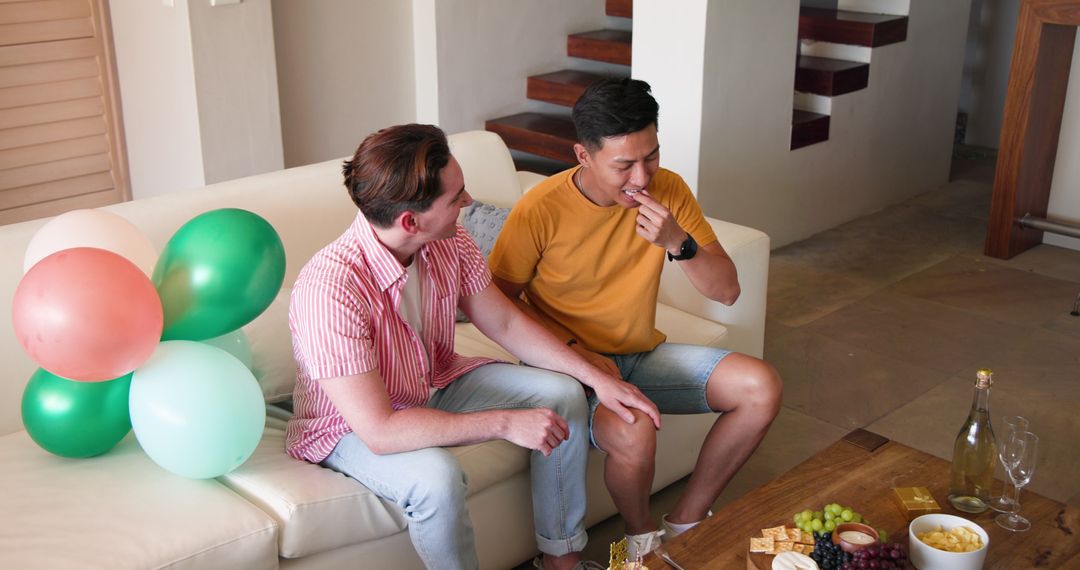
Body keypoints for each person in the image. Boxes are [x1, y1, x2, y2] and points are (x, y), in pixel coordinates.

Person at [285, 124, 659, 570]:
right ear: (411, 221)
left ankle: (561, 559)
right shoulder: (330, 288)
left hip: (431, 379)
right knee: (437, 480)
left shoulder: (449, 241)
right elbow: (380, 430)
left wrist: (595, 377)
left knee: (561, 392)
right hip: (349, 425)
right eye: (456, 196)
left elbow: (502, 320)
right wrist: (505, 423)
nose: (468, 202)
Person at [489, 78, 783, 559]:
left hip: (639, 355)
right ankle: (642, 540)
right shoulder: (539, 210)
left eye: (651, 156)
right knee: (635, 426)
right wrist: (576, 355)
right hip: (566, 368)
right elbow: (496, 303)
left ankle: (688, 524)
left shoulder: (669, 192)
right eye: (624, 164)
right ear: (583, 156)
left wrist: (678, 243)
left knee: (761, 386)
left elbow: (727, 290)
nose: (642, 178)